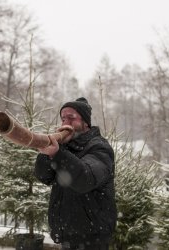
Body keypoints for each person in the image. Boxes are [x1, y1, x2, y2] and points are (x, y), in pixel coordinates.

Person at [34, 97, 117, 250]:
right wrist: (48, 153)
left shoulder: (100, 147)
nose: (66, 122)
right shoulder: (65, 147)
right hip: (68, 235)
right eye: (63, 118)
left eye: (71, 118)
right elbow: (43, 176)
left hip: (92, 238)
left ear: (85, 122)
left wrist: (58, 154)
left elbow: (85, 179)